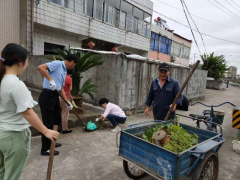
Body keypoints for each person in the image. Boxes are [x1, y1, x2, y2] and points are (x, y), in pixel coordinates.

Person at [0, 43, 59, 180]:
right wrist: (46, 131)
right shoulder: (16, 84)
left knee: (2, 172)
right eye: (27, 61)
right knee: (11, 176)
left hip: (1, 132)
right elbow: (27, 112)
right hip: (14, 136)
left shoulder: (2, 80)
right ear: (20, 63)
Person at [38, 54, 78, 156]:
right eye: (74, 65)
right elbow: (40, 67)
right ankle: (45, 149)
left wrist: (67, 102)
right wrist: (50, 80)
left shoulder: (64, 71)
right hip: (47, 95)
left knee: (56, 120)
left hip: (55, 96)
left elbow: (60, 89)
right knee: (48, 122)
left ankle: (52, 142)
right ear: (72, 62)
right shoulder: (57, 64)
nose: (73, 67)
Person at [59, 69, 74, 134]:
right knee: (65, 114)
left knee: (58, 113)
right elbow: (70, 89)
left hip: (58, 96)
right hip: (65, 98)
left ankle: (57, 127)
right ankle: (64, 129)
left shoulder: (60, 76)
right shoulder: (69, 78)